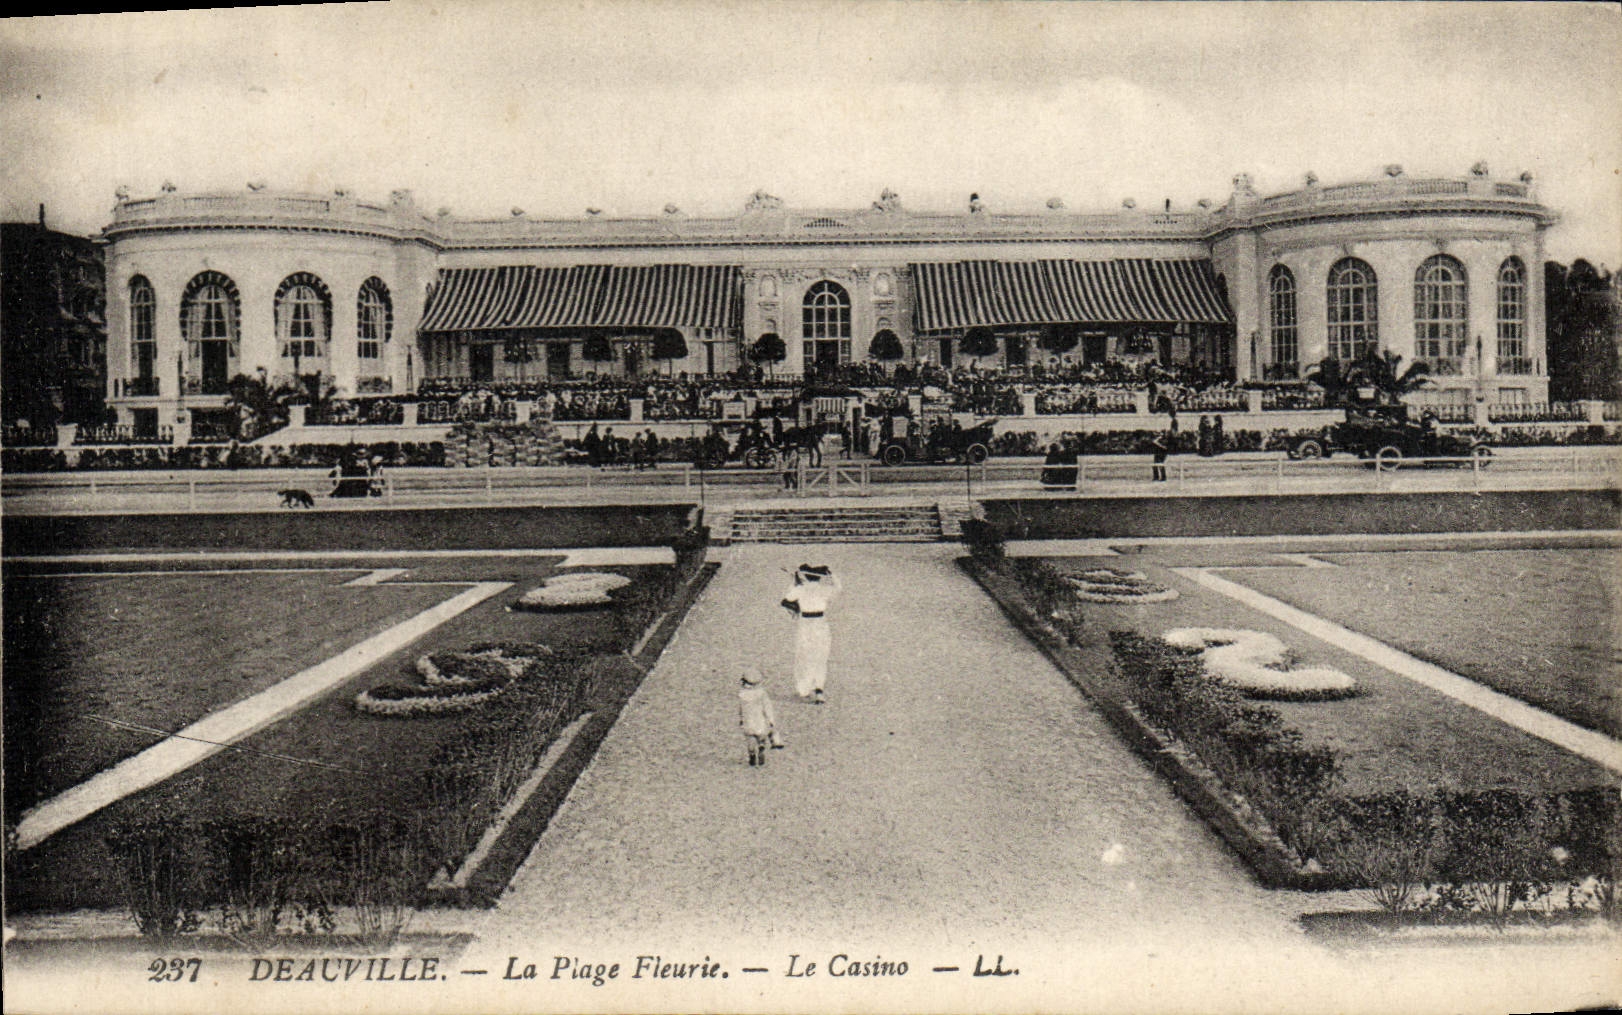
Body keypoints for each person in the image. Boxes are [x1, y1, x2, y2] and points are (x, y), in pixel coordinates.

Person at [781, 564, 842, 702]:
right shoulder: (825, 589)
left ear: (806, 577)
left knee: (804, 655)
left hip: (805, 624)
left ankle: (805, 689)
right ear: (819, 578)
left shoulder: (800, 589)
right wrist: (832, 575)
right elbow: (838, 588)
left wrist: (793, 581)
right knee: (821, 655)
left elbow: (786, 600)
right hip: (820, 623)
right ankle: (819, 689)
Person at [738, 666, 783, 767]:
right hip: (759, 719)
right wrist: (771, 720)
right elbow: (768, 708)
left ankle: (752, 754)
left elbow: (741, 709)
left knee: (750, 738)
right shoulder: (762, 694)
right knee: (761, 736)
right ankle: (761, 746)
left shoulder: (742, 694)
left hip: (748, 720)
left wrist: (741, 719)